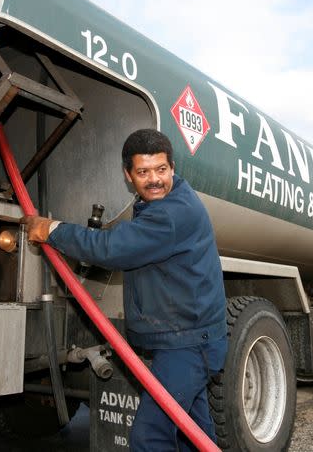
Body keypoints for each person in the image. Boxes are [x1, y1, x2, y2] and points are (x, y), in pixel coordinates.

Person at [22, 128, 228, 451]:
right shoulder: (163, 203)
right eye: (143, 172)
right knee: (195, 437)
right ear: (128, 176)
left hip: (188, 345)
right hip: (188, 339)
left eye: (161, 170)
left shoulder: (173, 214)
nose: (154, 179)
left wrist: (53, 230)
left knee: (150, 437)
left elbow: (111, 248)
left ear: (173, 167)